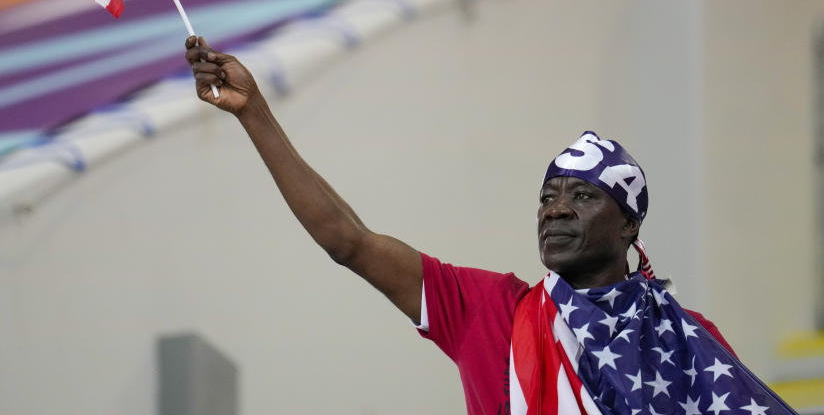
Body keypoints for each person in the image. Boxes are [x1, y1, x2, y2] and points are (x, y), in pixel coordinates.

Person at [184, 36, 796, 415]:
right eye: (547, 196)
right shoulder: (488, 310)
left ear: (629, 225)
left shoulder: (686, 340)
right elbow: (350, 242)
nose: (554, 209)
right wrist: (255, 114)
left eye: (582, 196)